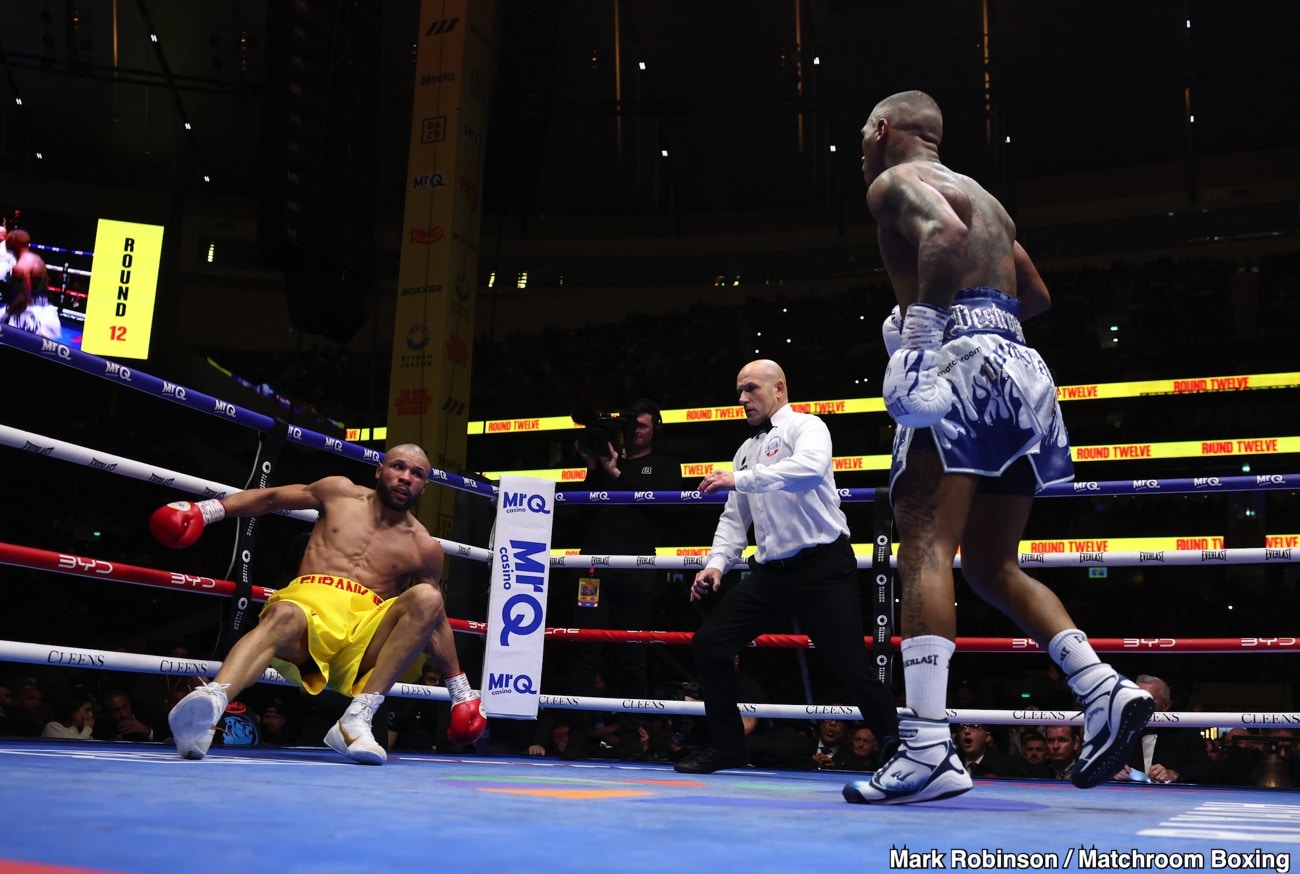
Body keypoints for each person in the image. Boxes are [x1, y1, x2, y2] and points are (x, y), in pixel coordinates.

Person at [843, 90, 1154, 804]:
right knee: (988, 563)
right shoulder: (990, 199)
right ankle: (1101, 688)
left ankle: (925, 748)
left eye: (864, 134)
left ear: (885, 130)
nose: (862, 148)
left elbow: (943, 240)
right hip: (1022, 367)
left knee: (922, 539)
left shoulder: (894, 183)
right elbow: (1036, 293)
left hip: (959, 367)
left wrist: (921, 338)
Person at [152, 444, 486, 764]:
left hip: (359, 643)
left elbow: (434, 619)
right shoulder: (338, 492)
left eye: (416, 473)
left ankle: (356, 719)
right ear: (380, 470)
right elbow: (270, 498)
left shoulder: (424, 547)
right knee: (282, 614)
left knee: (429, 596)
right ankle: (210, 704)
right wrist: (205, 510)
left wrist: (461, 692)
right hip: (306, 621)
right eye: (398, 466)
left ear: (423, 488)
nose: (405, 477)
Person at [676, 359, 899, 774]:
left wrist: (739, 480)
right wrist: (716, 565)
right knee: (709, 644)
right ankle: (728, 747)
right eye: (739, 391)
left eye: (751, 389)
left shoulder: (806, 427)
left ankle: (895, 748)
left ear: (779, 389)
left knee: (852, 668)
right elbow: (732, 521)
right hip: (771, 575)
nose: (742, 399)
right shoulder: (745, 452)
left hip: (822, 568)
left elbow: (808, 471)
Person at [565, 398, 680, 760]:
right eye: (631, 426)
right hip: (594, 570)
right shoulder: (605, 462)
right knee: (585, 651)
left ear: (654, 430)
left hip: (637, 570)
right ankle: (578, 738)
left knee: (633, 655)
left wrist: (616, 473)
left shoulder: (664, 466)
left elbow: (663, 506)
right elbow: (583, 508)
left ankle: (633, 740)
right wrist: (592, 466)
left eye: (642, 425)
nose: (635, 431)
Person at [1116, 675, 1214, 784]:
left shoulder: (1186, 732)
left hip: (1173, 798)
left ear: (1166, 705)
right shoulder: (1119, 731)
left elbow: (1205, 771)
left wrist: (1175, 774)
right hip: (1125, 795)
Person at [0, 228, 60, 340]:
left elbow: (23, 298)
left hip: (28, 316)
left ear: (12, 244)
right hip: (45, 311)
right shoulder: (37, 260)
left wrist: (6, 312)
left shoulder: (21, 267)